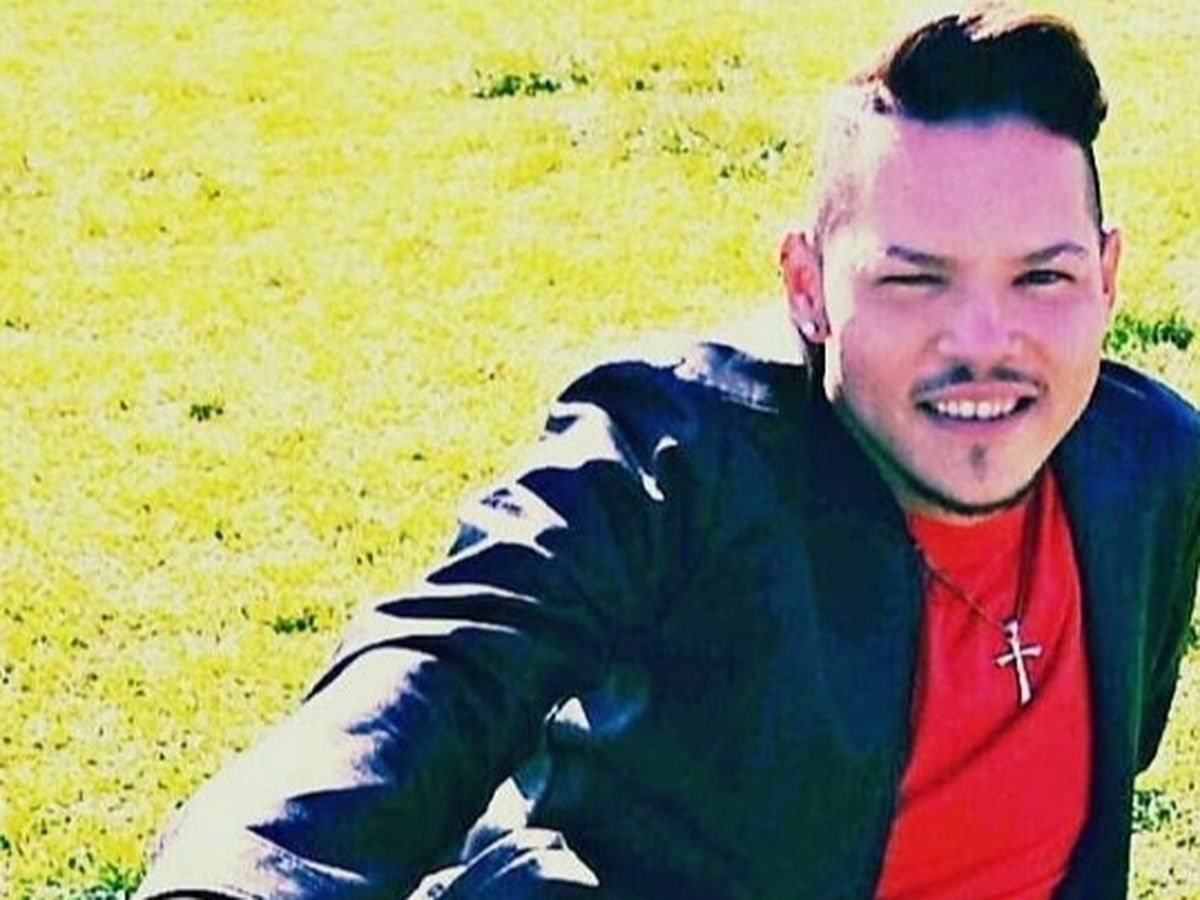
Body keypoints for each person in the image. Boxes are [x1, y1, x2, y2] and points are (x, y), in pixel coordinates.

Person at [134, 5, 1200, 899]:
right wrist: (247, 875)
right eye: (914, 279)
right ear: (808, 288)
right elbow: (449, 657)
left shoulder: (1145, 466)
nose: (983, 343)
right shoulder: (679, 452)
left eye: (1043, 278)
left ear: (1107, 279)